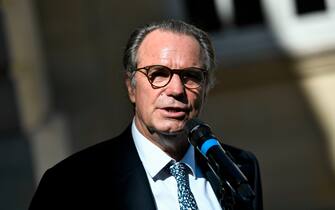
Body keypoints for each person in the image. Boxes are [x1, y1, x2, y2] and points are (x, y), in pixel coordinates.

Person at [29, 19, 262, 210]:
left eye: (190, 76)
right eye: (158, 74)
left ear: (206, 88)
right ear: (131, 87)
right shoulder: (72, 183)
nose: (176, 90)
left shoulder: (240, 167)